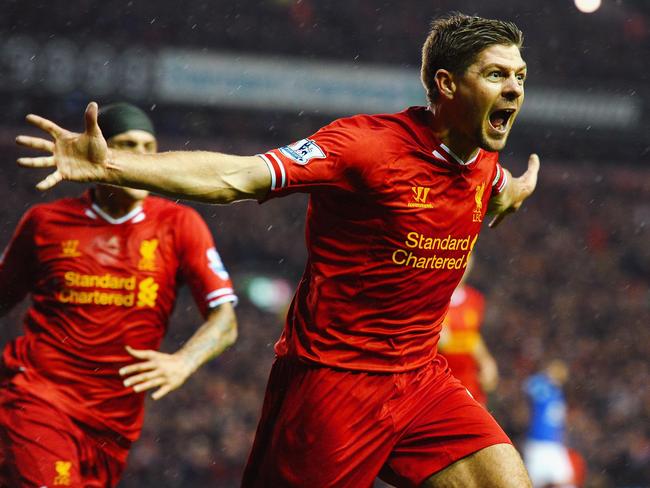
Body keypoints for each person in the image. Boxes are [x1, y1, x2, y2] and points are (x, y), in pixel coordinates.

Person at [17, 13, 539, 488]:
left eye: (519, 75)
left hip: (422, 379)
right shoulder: (365, 146)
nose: (514, 89)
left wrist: (516, 193)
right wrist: (110, 166)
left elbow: (500, 190)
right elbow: (236, 176)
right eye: (497, 75)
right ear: (447, 85)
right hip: (333, 384)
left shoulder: (483, 166)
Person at [1, 103, 239, 487]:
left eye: (150, 147)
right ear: (97, 151)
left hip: (115, 424)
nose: (142, 157)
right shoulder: (45, 224)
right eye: (128, 145)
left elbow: (225, 322)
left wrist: (183, 362)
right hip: (40, 399)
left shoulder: (179, 225)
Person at [438, 257, 499, 406]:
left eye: (468, 259)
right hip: (440, 381)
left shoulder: (475, 299)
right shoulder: (435, 297)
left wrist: (486, 361)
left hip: (470, 383)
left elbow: (474, 338)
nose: (464, 263)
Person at [523, 360, 582, 488]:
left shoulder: (558, 394)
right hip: (537, 445)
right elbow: (528, 385)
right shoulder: (542, 386)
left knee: (568, 482)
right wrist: (546, 377)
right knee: (531, 484)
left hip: (554, 446)